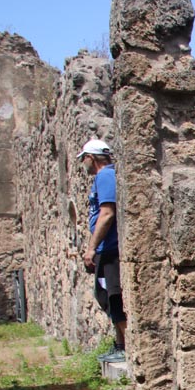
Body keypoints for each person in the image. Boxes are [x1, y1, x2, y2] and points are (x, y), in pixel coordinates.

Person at [78, 138, 127, 364]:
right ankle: (120, 345)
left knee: (114, 297)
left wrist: (91, 248)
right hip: (105, 249)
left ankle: (128, 347)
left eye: (83, 159)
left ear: (91, 158)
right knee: (107, 296)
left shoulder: (105, 175)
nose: (83, 165)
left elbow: (107, 213)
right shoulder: (105, 175)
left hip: (110, 249)